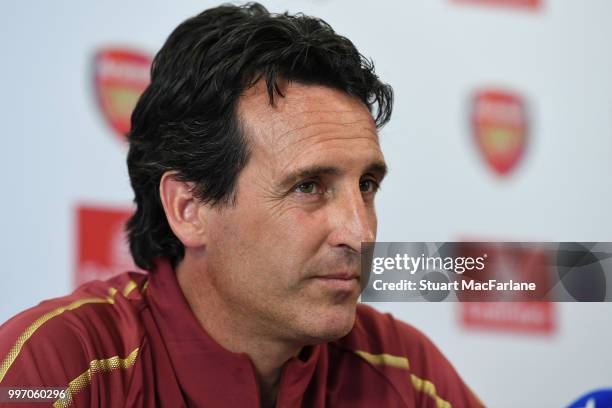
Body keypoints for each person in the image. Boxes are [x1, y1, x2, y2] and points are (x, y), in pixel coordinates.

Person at [0, 3, 483, 407]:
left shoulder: (403, 370)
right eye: (308, 187)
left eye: (367, 186)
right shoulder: (60, 367)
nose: (361, 235)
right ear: (189, 208)